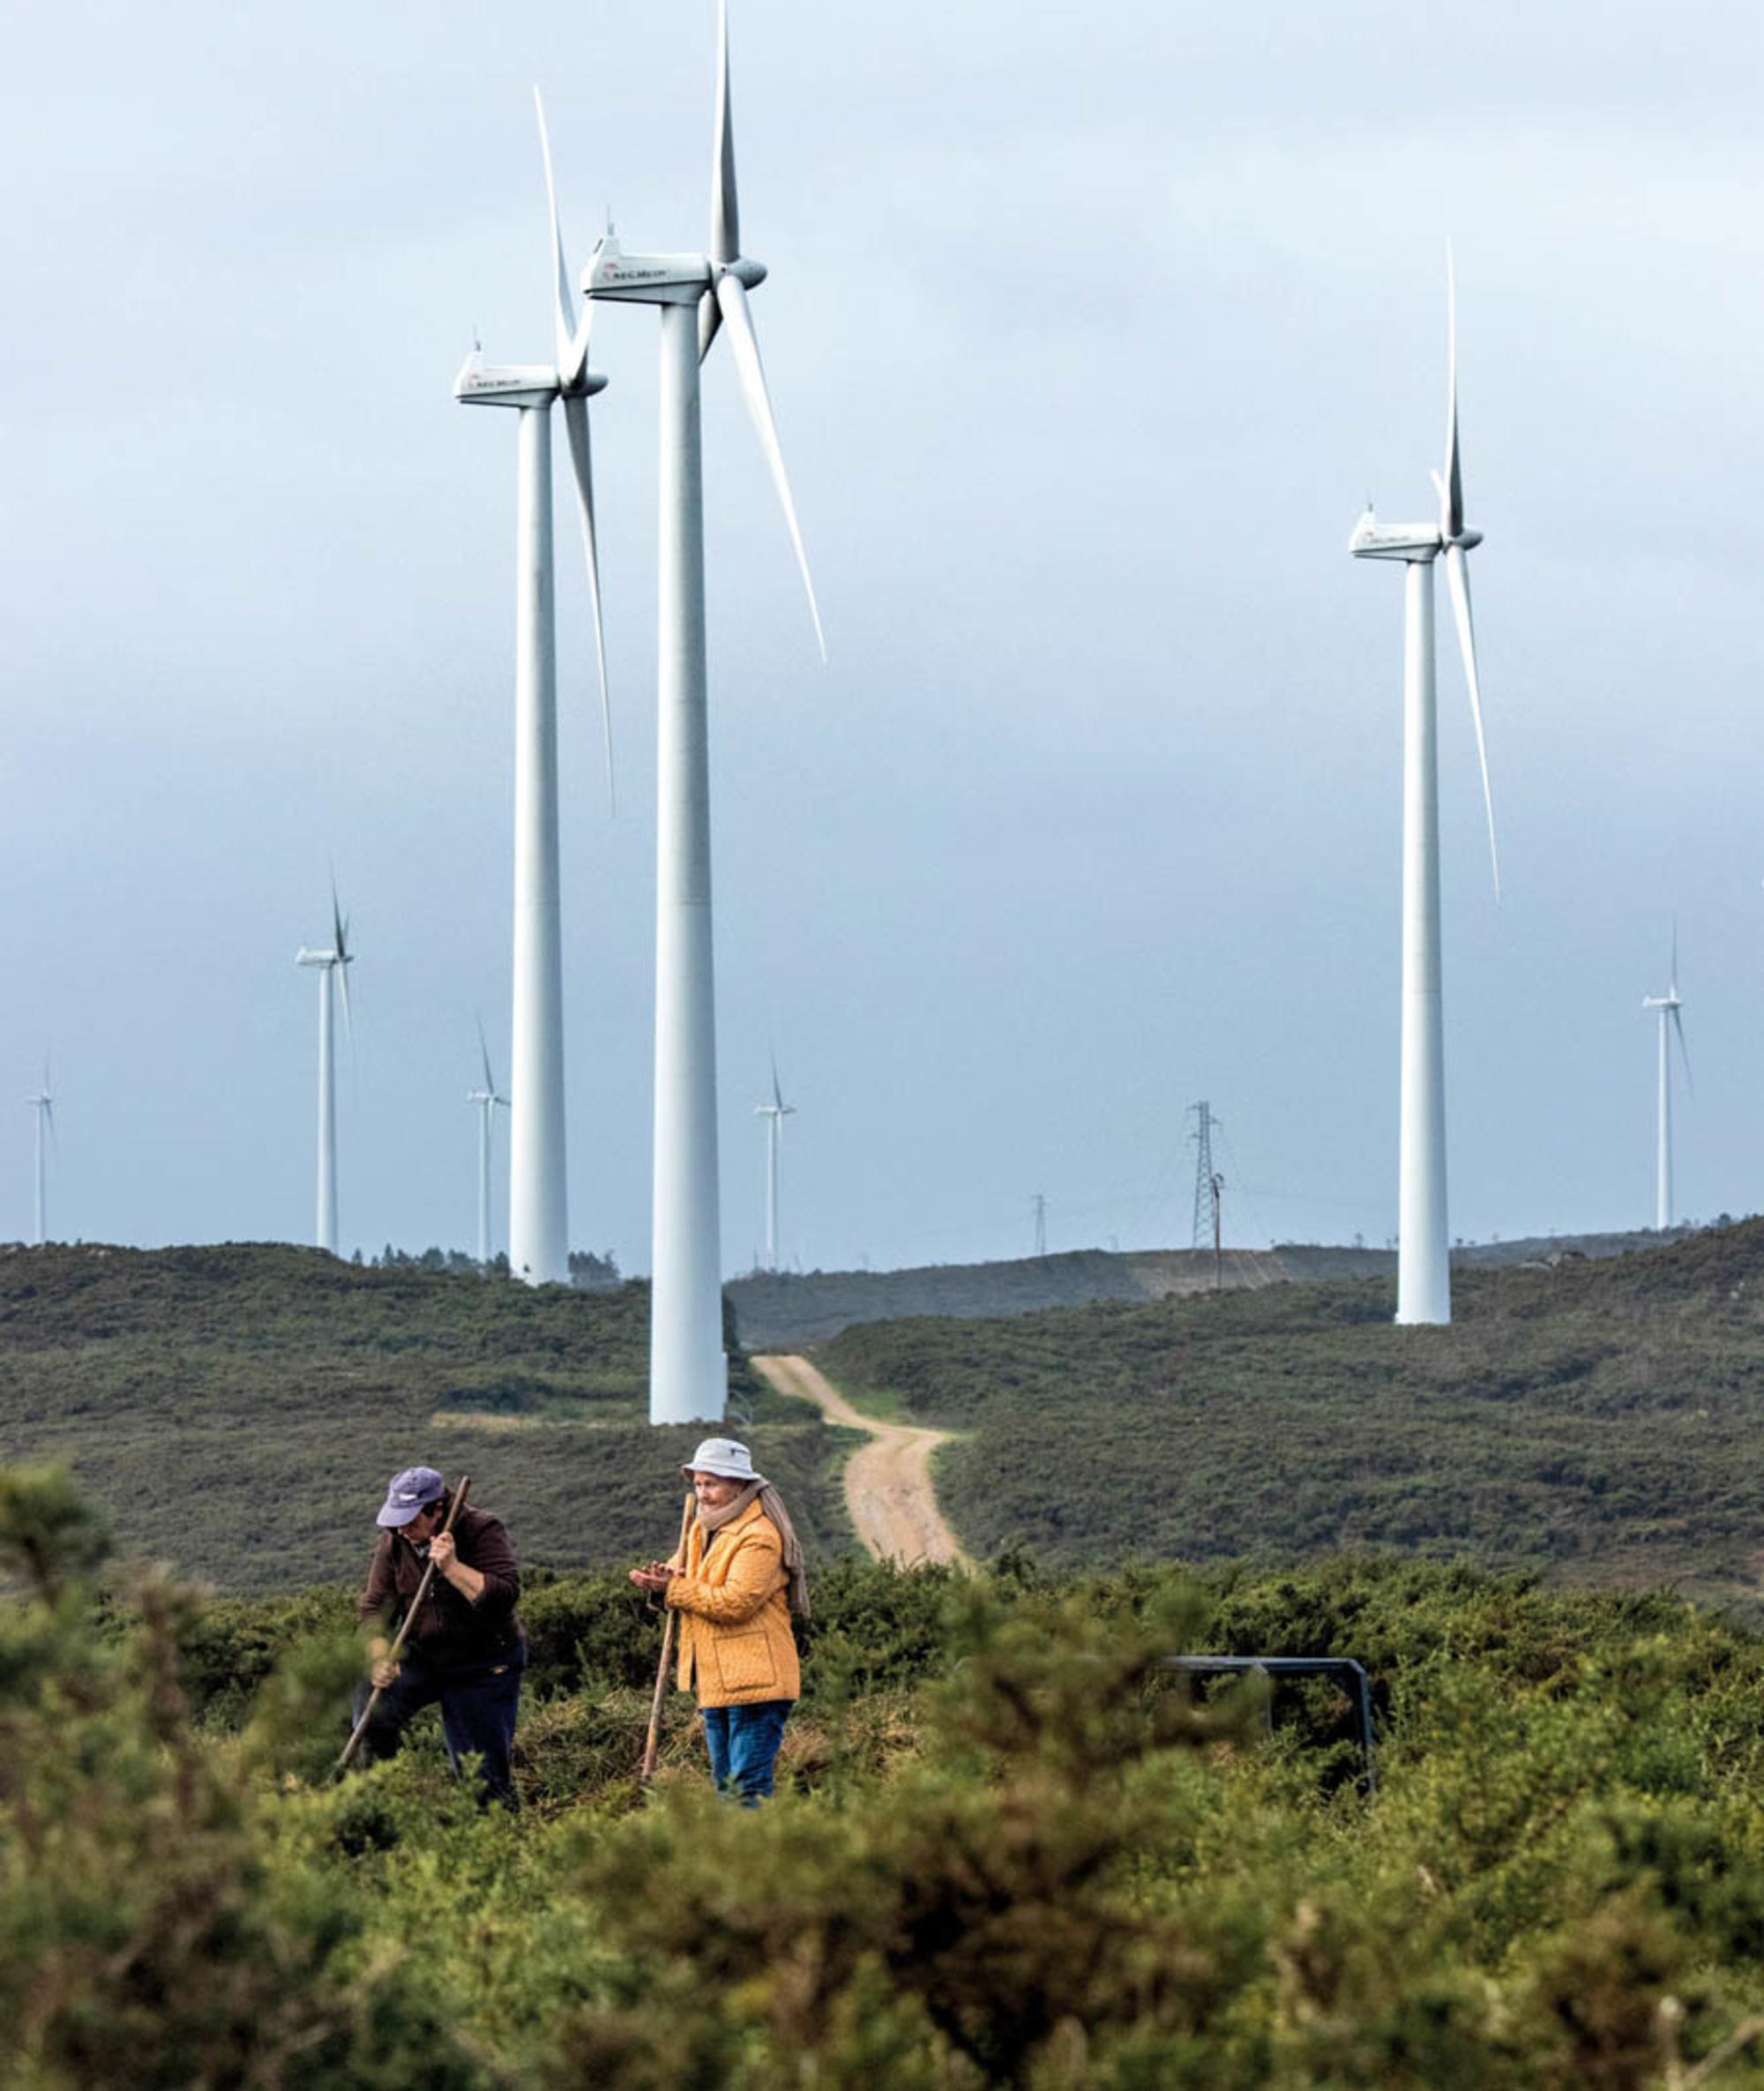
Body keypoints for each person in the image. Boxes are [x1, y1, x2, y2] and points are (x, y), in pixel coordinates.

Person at [629, 1438, 810, 1803]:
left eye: (711, 1484)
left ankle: (753, 1859)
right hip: (718, 1682)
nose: (703, 1493)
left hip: (757, 1682)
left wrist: (674, 1588)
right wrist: (660, 1582)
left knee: (746, 1789)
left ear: (739, 1485)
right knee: (727, 1789)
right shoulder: (701, 1529)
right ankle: (736, 1857)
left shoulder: (759, 1536)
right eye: (697, 1483)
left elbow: (735, 1603)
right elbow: (684, 1581)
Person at [352, 1466, 526, 1809]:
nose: (403, 1528)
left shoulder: (482, 1530)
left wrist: (452, 1567)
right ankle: (382, 1805)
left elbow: (503, 1596)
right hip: (426, 1654)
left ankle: (499, 1841)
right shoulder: (394, 1540)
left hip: (484, 1664)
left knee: (481, 1777)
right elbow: (374, 1609)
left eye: (412, 1521)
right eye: (397, 1519)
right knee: (372, 1711)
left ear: (439, 1510)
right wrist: (378, 1653)